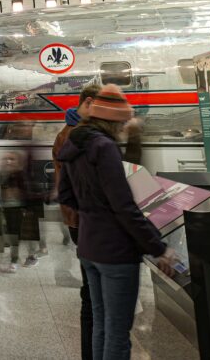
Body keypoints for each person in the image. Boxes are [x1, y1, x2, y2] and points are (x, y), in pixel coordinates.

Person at [58, 84, 178, 360]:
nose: (125, 126)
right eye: (123, 121)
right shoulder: (105, 147)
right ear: (113, 119)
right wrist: (158, 247)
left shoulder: (74, 142)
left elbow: (65, 194)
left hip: (89, 246)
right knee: (117, 332)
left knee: (100, 324)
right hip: (115, 253)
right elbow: (123, 206)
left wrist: (92, 211)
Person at [51, 83, 99, 360]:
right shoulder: (79, 136)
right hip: (87, 220)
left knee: (90, 289)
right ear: (89, 103)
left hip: (76, 218)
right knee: (93, 294)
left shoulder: (67, 133)